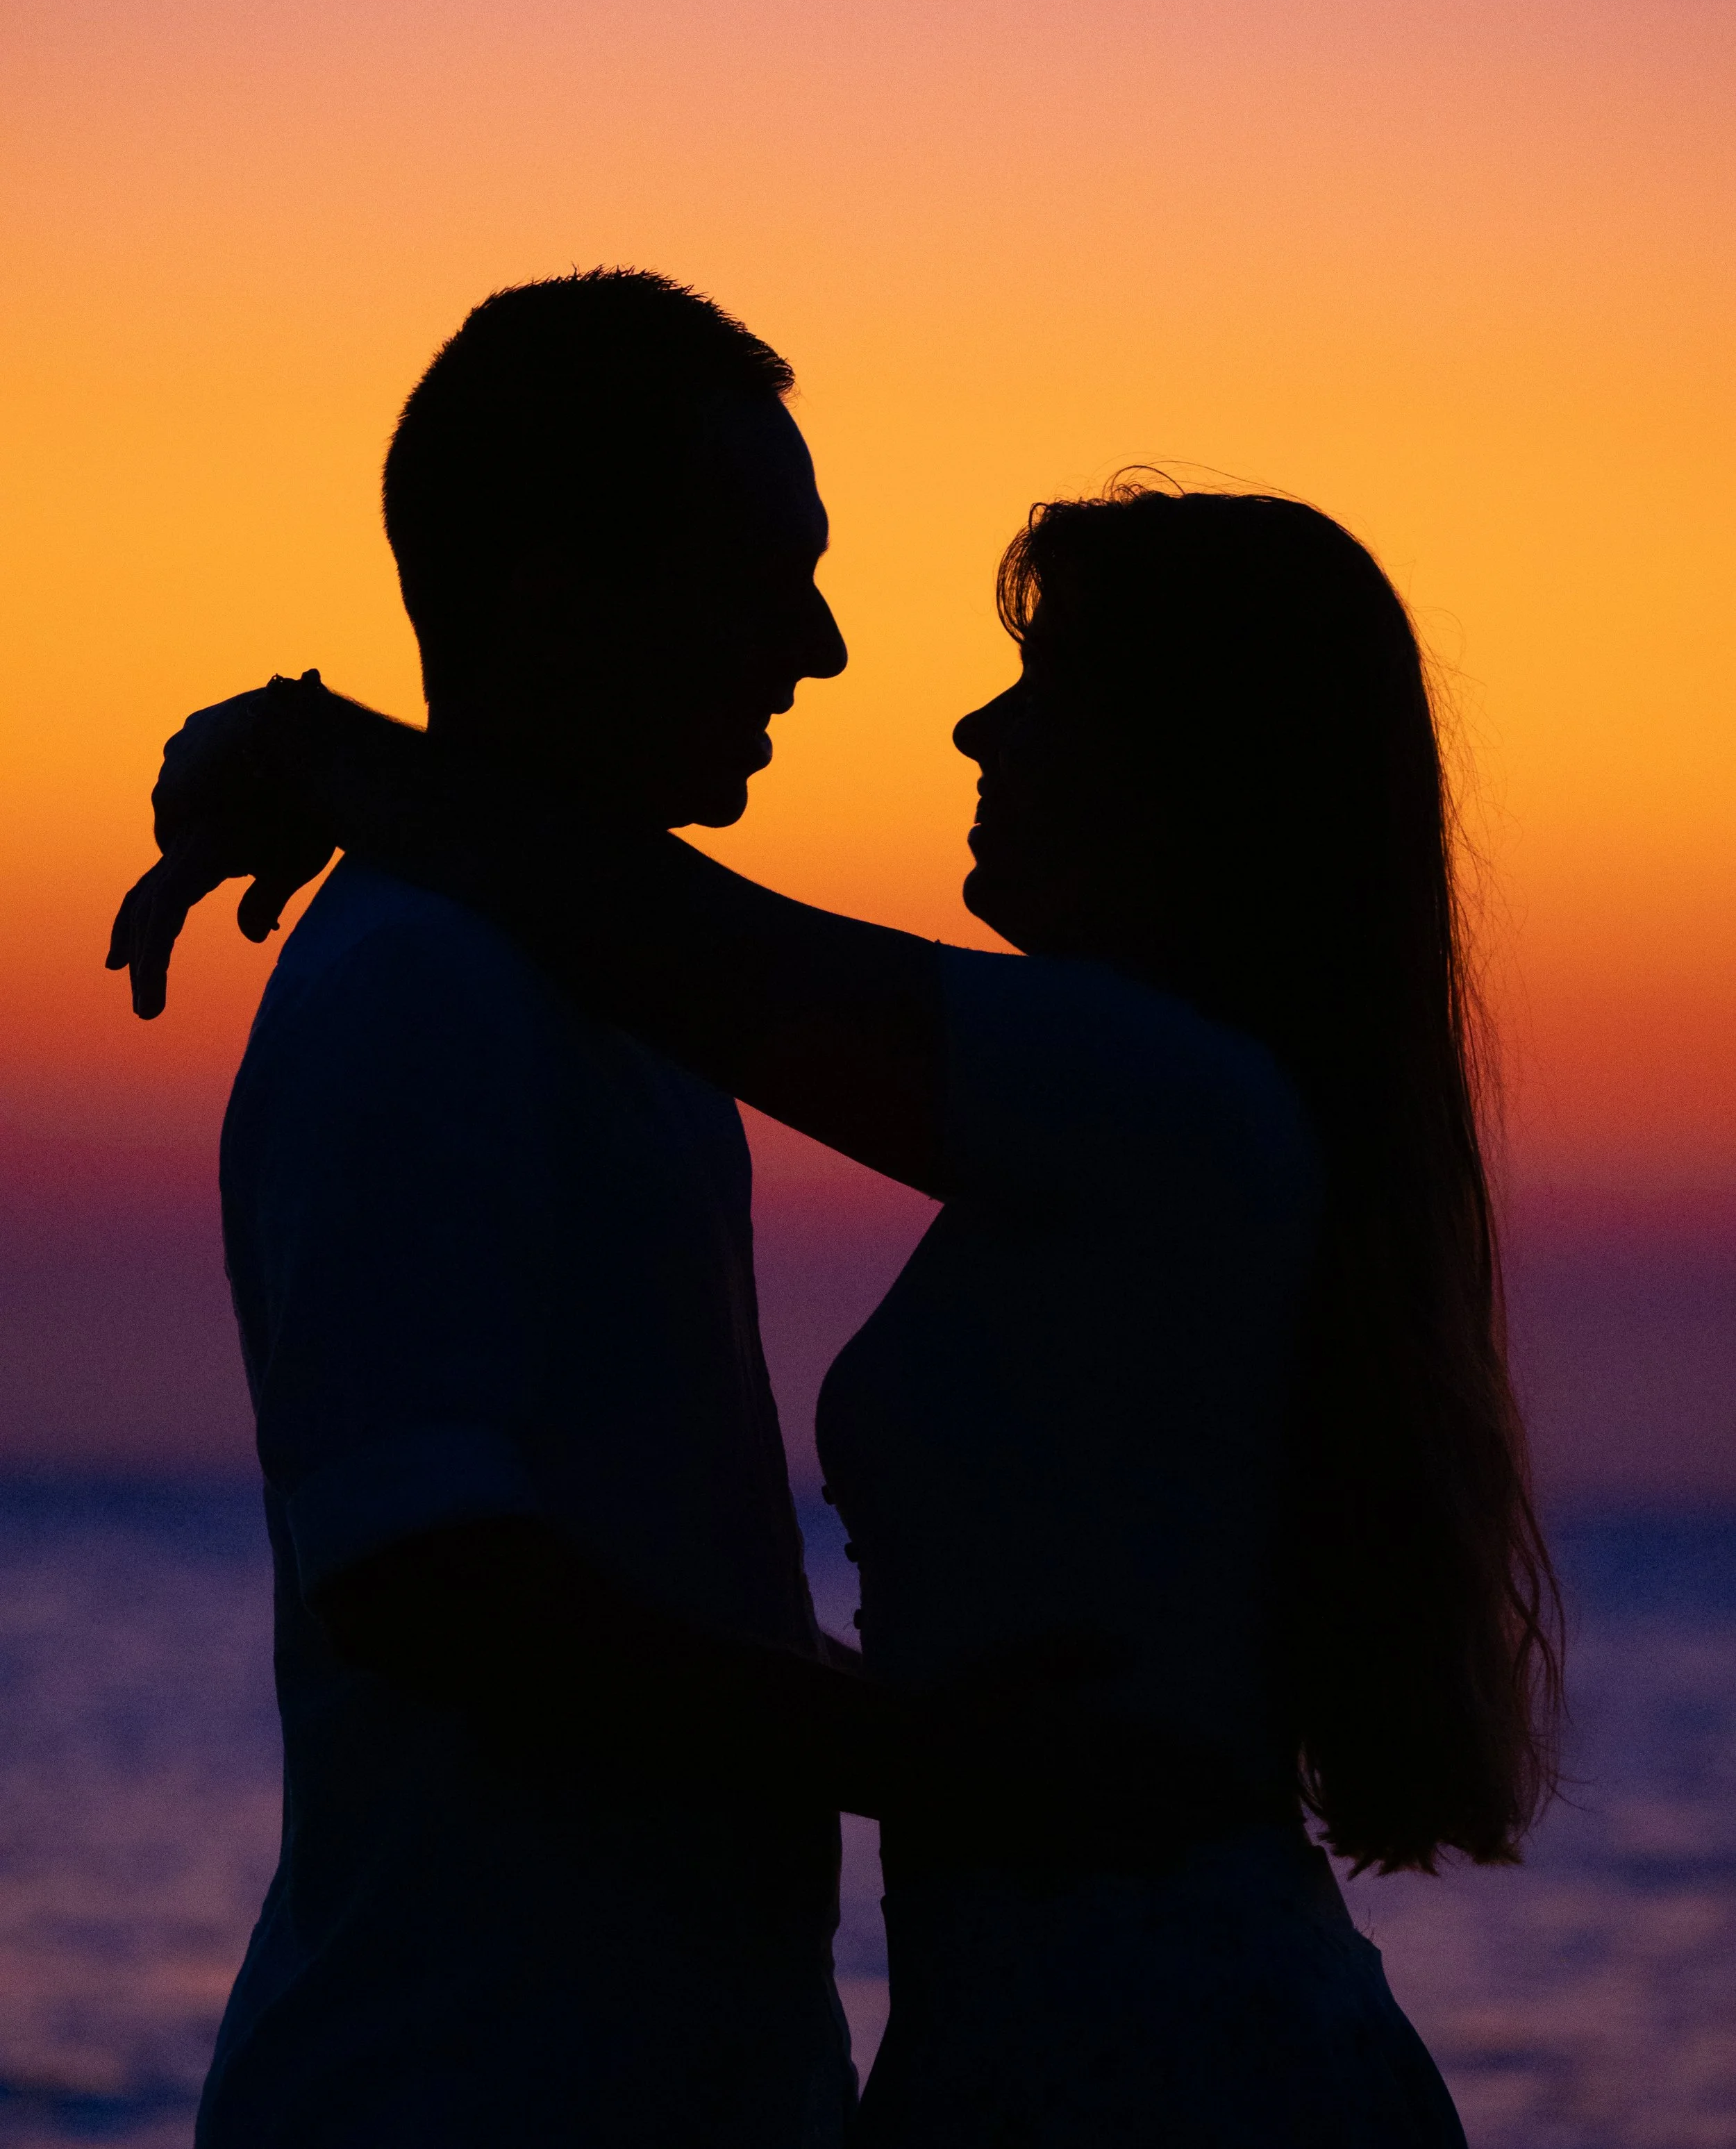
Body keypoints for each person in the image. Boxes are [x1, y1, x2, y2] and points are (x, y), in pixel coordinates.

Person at [117, 474, 1561, 2133]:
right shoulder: (1156, 1112)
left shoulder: (1161, 1092)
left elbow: (690, 946)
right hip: (1065, 2029)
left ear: (1186, 775)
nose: (967, 726)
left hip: (1162, 2057)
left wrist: (309, 746)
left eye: (1044, 683)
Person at [109, 270, 1144, 2149]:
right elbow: (434, 1585)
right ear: (556, 596)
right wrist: (944, 1761)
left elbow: (619, 1580)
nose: (819, 647)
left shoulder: (616, 1001)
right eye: (764, 572)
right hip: (463, 2087)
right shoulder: (423, 983)